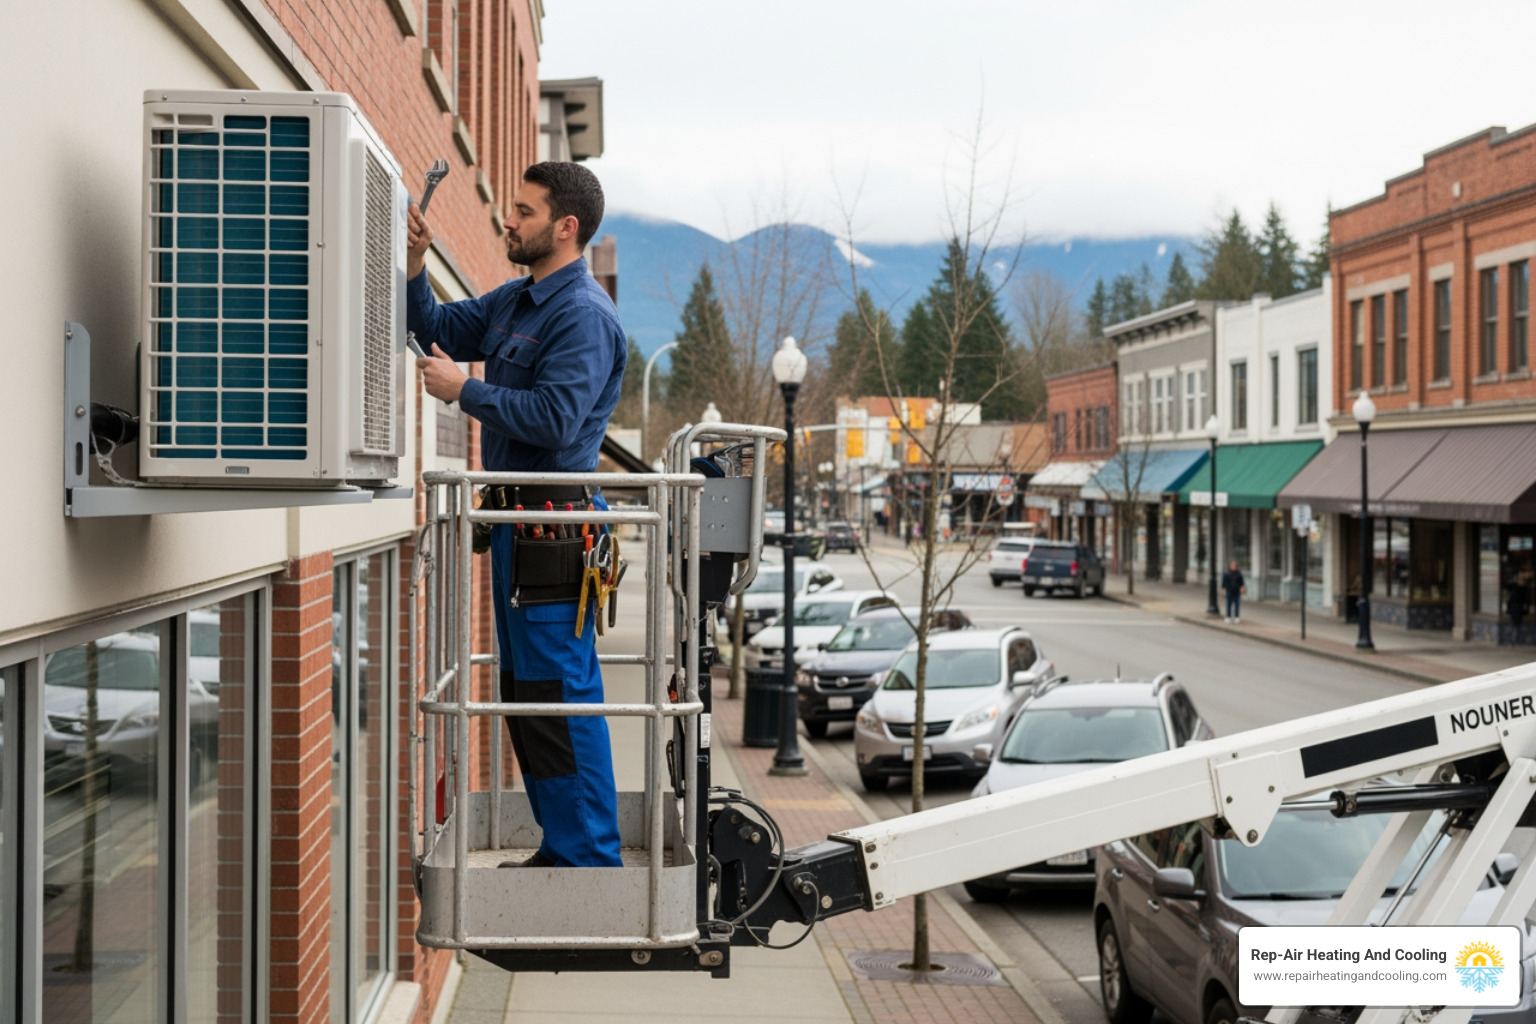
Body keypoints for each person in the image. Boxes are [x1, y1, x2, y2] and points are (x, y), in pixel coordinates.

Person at [406, 162, 626, 868]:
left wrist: (464, 393)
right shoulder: (516, 301)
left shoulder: (582, 316)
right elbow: (433, 326)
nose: (509, 219)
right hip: (517, 529)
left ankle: (590, 854)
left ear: (566, 228)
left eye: (524, 212)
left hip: (554, 529)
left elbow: (559, 422)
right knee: (529, 695)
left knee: (557, 694)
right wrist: (414, 265)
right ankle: (565, 843)